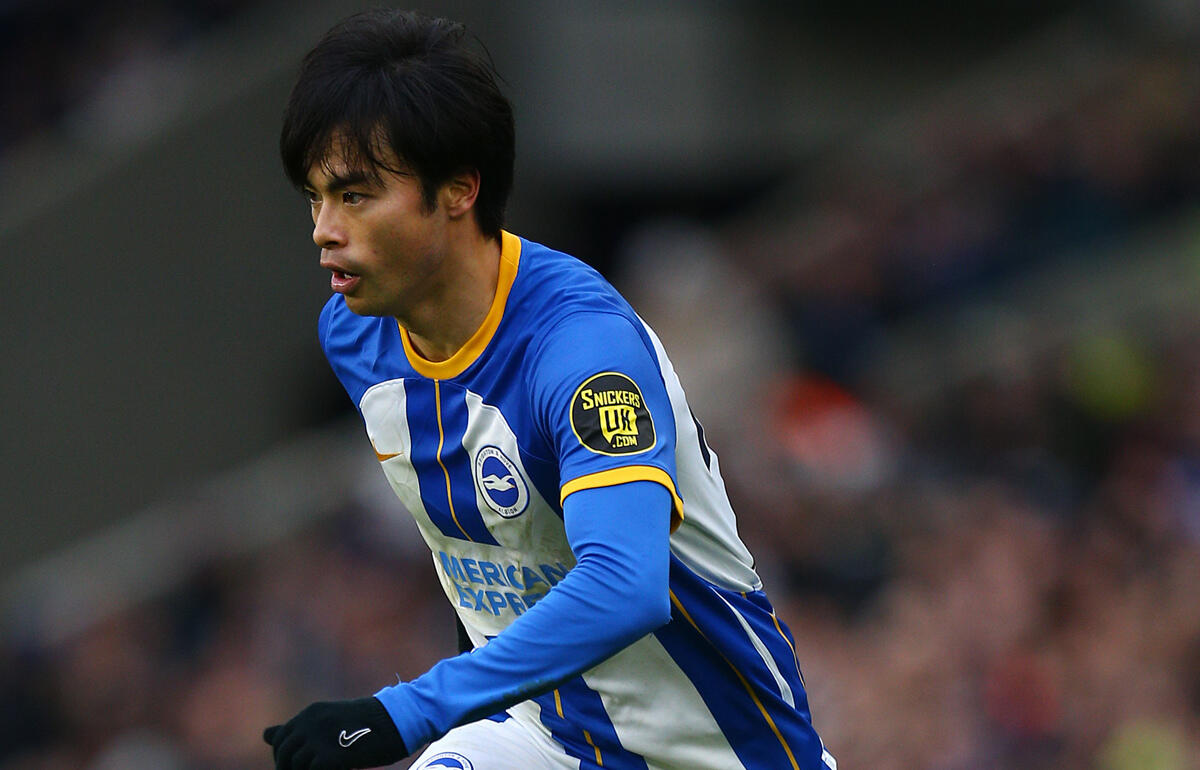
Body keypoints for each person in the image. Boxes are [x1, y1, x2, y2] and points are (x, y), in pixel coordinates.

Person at [263, 9, 837, 770]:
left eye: (356, 196)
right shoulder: (356, 335)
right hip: (549, 736)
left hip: (721, 751)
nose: (323, 230)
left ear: (459, 189)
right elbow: (478, 547)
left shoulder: (581, 351)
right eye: (315, 197)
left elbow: (626, 584)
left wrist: (413, 708)